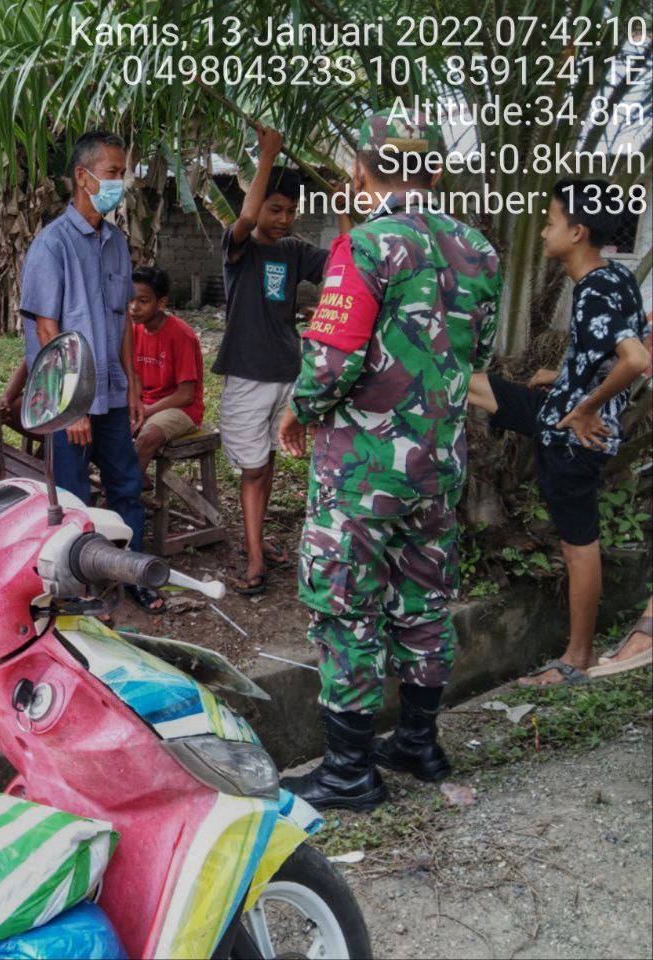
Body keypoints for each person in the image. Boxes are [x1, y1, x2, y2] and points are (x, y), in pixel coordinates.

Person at [275, 109, 502, 811]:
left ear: (361, 174)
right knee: (424, 600)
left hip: (365, 468)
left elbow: (331, 363)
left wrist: (298, 410)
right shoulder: (481, 252)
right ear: (434, 173)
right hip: (438, 464)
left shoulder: (365, 248)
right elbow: (478, 358)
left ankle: (348, 771)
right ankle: (418, 743)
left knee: (346, 605)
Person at [468, 180, 651, 687]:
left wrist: (588, 404)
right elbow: (617, 341)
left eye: (550, 222)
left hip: (573, 435)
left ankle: (576, 659)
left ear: (576, 230)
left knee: (578, 543)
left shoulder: (593, 288)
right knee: (470, 385)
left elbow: (636, 358)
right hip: (560, 413)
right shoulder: (613, 277)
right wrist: (568, 375)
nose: (544, 230)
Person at [18, 130, 162, 612]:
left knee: (126, 487)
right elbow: (46, 328)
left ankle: (133, 574)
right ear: (83, 177)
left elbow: (122, 321)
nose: (121, 181)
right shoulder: (51, 244)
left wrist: (133, 384)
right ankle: (76, 592)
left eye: (123, 173)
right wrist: (69, 404)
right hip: (70, 402)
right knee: (74, 500)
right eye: (113, 173)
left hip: (113, 394)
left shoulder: (116, 242)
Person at [212, 125, 348, 595]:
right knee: (252, 469)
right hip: (247, 376)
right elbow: (245, 218)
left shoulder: (294, 252)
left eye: (290, 211)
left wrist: (345, 212)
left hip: (287, 374)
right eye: (276, 208)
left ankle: (256, 545)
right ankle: (253, 557)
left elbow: (345, 264)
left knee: (266, 464)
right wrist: (267, 155)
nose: (284, 219)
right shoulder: (239, 248)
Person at [129, 264, 204, 471]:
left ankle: (119, 495)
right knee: (108, 428)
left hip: (182, 409)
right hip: (146, 404)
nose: (134, 307)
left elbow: (185, 395)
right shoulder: (133, 330)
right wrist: (135, 406)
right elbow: (135, 377)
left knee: (148, 436)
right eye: (131, 299)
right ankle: (134, 480)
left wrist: (147, 411)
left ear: (161, 303)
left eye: (143, 301)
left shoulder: (181, 335)